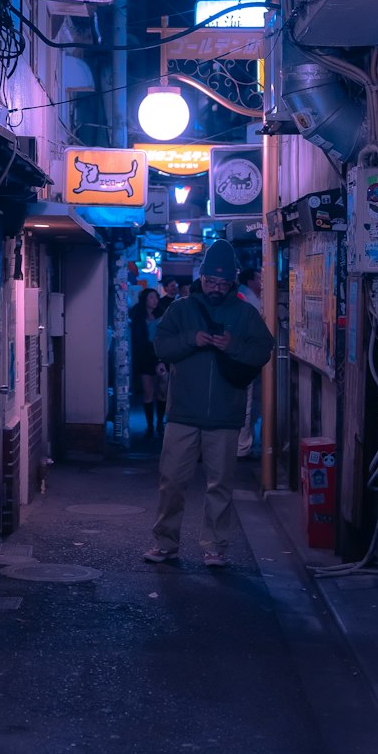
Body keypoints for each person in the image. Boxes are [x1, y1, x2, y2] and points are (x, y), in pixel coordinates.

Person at [143, 240, 274, 567]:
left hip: (226, 416)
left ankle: (215, 547)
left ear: (232, 282)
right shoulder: (181, 310)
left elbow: (263, 351)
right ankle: (165, 542)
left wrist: (232, 346)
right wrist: (192, 339)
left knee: (220, 486)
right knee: (171, 480)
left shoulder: (245, 314)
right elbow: (161, 347)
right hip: (182, 413)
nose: (216, 288)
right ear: (201, 278)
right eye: (210, 282)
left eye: (223, 283)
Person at [236, 267, 264, 458]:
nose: (262, 280)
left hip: (248, 360)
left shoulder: (250, 298)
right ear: (250, 281)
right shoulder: (246, 300)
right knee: (246, 405)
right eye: (259, 277)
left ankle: (245, 444)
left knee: (251, 405)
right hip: (246, 360)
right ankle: (242, 447)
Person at [129, 287, 163, 437]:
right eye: (151, 297)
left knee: (162, 391)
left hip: (161, 356)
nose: (154, 300)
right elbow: (136, 338)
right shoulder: (137, 314)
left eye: (156, 297)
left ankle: (160, 422)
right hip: (144, 356)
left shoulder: (162, 313)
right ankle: (150, 425)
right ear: (145, 299)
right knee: (148, 391)